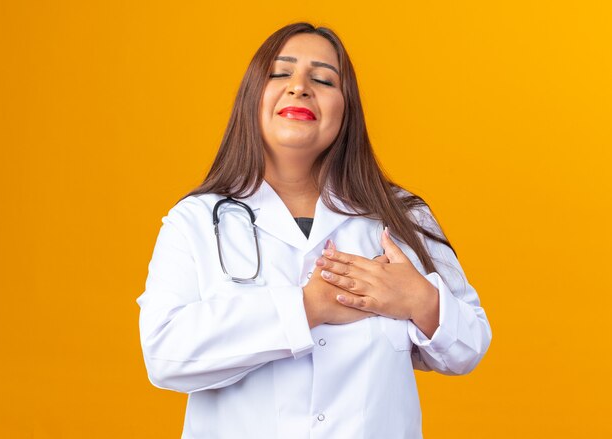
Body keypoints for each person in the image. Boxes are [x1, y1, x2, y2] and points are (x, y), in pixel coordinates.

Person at [136, 22, 492, 439]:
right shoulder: (194, 221)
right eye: (280, 73)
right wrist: (307, 307)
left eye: (323, 79)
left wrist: (419, 299)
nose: (300, 87)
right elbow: (164, 356)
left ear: (347, 109)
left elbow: (469, 346)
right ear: (253, 97)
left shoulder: (401, 217)